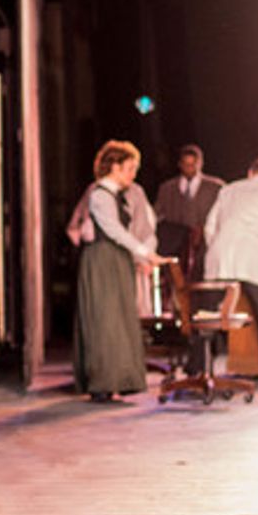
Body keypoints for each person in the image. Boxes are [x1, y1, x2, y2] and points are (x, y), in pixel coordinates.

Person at [74, 140, 167, 402]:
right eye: (129, 168)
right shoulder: (99, 195)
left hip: (117, 260)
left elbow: (142, 225)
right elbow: (113, 230)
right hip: (102, 260)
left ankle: (119, 380)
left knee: (119, 320)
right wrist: (145, 253)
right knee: (104, 321)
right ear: (114, 167)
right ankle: (102, 382)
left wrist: (144, 250)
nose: (132, 174)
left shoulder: (119, 195)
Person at [203, 155, 258, 359]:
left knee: (206, 318)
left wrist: (219, 249)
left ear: (250, 173)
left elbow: (209, 227)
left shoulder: (228, 190)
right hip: (254, 260)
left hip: (219, 259)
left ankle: (198, 368)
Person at [67, 178, 159, 316]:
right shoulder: (96, 190)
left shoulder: (135, 191)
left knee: (132, 309)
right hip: (104, 259)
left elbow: (145, 227)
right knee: (105, 309)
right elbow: (77, 226)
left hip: (131, 261)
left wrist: (143, 257)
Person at [155, 144, 224, 281]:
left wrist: (204, 229)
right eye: (186, 164)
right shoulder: (167, 189)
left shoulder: (216, 187)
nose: (189, 168)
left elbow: (223, 216)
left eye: (193, 164)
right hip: (175, 250)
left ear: (200, 163)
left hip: (206, 247)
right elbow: (156, 216)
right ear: (180, 164)